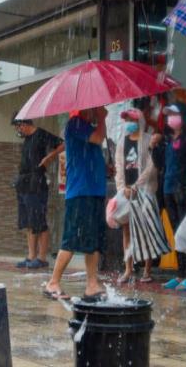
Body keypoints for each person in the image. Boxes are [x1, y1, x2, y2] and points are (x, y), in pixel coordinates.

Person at [43, 107, 108, 302]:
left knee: (92, 241)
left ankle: (92, 284)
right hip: (81, 192)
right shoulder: (76, 123)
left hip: (94, 190)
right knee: (72, 238)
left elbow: (91, 150)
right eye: (97, 107)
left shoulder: (87, 125)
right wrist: (103, 119)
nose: (100, 109)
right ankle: (53, 282)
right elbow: (97, 139)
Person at [114, 109, 169, 284]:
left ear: (140, 121)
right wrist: (123, 187)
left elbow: (152, 165)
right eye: (127, 119)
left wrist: (137, 185)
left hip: (145, 191)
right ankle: (128, 269)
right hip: (127, 193)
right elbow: (118, 166)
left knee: (146, 230)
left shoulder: (147, 140)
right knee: (127, 231)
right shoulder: (122, 143)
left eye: (132, 119)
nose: (129, 122)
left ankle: (147, 270)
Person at [153, 103, 186, 291]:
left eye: (174, 113)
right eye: (168, 114)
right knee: (176, 233)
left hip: (185, 189)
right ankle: (180, 274)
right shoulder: (166, 140)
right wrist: (154, 147)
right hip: (168, 189)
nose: (171, 117)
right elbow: (160, 164)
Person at [12, 116, 65, 269]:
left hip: (37, 182)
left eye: (18, 126)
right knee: (28, 221)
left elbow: (62, 144)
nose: (18, 130)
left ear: (23, 124)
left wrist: (49, 158)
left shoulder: (41, 134)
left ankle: (42, 258)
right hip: (24, 183)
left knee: (39, 220)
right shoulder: (27, 139)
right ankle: (31, 256)